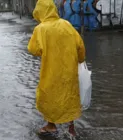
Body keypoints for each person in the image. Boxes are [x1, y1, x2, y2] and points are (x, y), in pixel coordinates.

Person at [27, 0, 85, 138]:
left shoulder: (41, 29)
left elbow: (33, 49)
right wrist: (81, 60)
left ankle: (51, 125)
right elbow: (80, 46)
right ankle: (71, 128)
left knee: (49, 96)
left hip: (51, 71)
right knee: (69, 96)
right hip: (69, 71)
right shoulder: (67, 24)